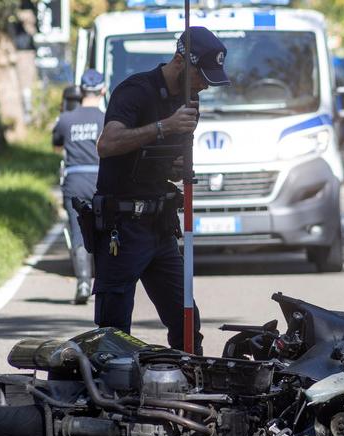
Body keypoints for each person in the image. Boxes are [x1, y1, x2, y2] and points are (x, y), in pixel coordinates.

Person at [92, 27, 230, 353]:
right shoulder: (135, 91)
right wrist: (165, 126)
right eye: (201, 76)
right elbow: (107, 144)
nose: (204, 86)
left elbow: (161, 161)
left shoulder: (189, 99)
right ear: (181, 60)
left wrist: (179, 167)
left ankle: (185, 391)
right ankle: (108, 399)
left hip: (160, 226)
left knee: (186, 320)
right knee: (114, 331)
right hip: (122, 229)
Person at [52, 69, 106, 304]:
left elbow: (56, 145)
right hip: (100, 180)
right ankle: (103, 285)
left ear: (81, 91)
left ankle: (83, 284)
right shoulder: (106, 118)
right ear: (102, 90)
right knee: (105, 232)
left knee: (78, 232)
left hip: (74, 182)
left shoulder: (66, 119)